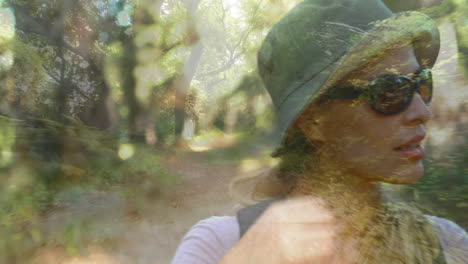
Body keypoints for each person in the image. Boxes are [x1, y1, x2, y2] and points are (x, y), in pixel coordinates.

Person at [172, 0, 468, 263]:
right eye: (391, 91)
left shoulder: (445, 244)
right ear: (312, 120)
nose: (422, 113)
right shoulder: (220, 244)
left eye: (421, 84)